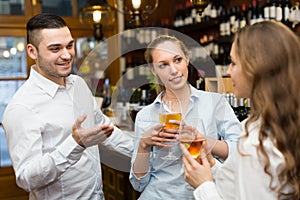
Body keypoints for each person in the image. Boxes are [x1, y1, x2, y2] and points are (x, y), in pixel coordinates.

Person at [2, 13, 133, 200]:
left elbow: (105, 129)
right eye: (55, 49)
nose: (67, 55)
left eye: (69, 46)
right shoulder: (21, 107)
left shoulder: (78, 84)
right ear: (32, 52)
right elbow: (26, 178)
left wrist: (143, 149)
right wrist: (75, 144)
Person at [181, 21, 300, 200]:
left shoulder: (256, 146)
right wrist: (212, 165)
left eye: (234, 63)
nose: (228, 71)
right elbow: (245, 182)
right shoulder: (274, 124)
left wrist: (203, 185)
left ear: (256, 68)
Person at [129, 35, 242, 199]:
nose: (173, 70)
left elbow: (239, 150)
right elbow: (139, 183)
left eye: (177, 60)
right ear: (154, 70)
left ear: (187, 59)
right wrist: (144, 145)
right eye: (163, 65)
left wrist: (203, 141)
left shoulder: (215, 102)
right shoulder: (145, 116)